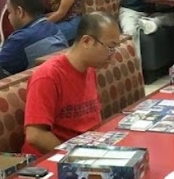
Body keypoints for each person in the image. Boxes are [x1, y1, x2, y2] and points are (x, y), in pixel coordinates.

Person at [21, 12, 121, 156]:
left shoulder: (90, 69)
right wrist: (74, 156)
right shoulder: (48, 76)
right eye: (110, 48)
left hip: (86, 149)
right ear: (86, 41)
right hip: (53, 159)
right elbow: (35, 135)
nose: (113, 55)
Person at [0, 0, 67, 75]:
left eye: (10, 12)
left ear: (19, 12)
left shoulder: (20, 40)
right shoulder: (53, 28)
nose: (9, 17)